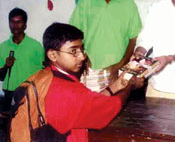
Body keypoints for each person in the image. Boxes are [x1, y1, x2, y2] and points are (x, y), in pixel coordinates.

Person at [11, 22, 143, 142]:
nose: (82, 56)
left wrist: (117, 85)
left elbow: (88, 102)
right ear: (52, 55)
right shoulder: (66, 90)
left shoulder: (45, 76)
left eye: (81, 50)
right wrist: (130, 86)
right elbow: (106, 110)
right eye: (73, 51)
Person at [70, 0, 142, 83]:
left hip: (119, 72)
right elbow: (73, 36)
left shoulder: (129, 5)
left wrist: (120, 65)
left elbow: (133, 40)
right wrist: (84, 59)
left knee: (117, 103)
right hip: (89, 71)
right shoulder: (85, 3)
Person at [0, 8, 44, 111]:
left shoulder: (35, 46)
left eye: (19, 22)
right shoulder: (3, 47)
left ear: (25, 25)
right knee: (9, 125)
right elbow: (1, 77)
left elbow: (44, 72)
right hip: (9, 94)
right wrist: (6, 66)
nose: (15, 25)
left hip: (29, 92)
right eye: (12, 22)